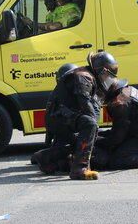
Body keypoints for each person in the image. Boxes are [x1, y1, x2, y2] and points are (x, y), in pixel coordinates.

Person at [34, 52, 114, 180]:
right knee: (90, 125)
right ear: (100, 70)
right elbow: (86, 105)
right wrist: (93, 130)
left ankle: (45, 157)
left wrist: (92, 135)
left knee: (83, 139)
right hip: (59, 117)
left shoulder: (90, 77)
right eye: (106, 74)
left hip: (63, 117)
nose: (107, 79)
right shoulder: (84, 77)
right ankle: (79, 169)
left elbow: (92, 108)